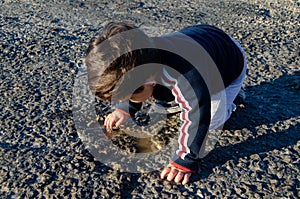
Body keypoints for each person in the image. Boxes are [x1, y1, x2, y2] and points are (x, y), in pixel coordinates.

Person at [85, 22, 247, 185]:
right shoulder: (141, 55)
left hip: (227, 66)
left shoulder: (185, 74)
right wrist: (125, 109)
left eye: (124, 98)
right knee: (167, 97)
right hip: (201, 40)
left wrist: (184, 160)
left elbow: (198, 114)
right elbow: (127, 77)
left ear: (150, 80)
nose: (119, 101)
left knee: (211, 120)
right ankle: (176, 96)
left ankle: (233, 99)